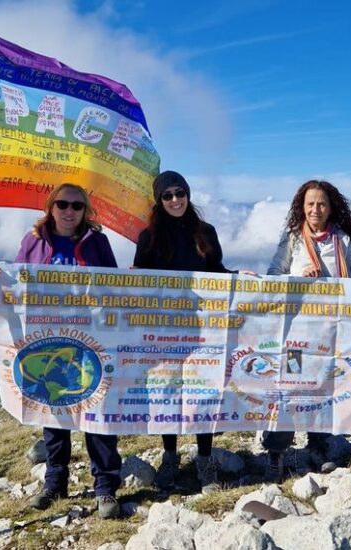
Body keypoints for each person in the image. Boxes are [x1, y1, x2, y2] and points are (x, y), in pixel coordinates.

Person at [0, 183, 121, 518]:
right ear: (50, 206)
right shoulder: (33, 240)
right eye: (62, 204)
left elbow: (115, 286)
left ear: (85, 210)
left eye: (77, 206)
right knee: (54, 410)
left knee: (97, 409)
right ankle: (55, 483)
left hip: (91, 340)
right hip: (48, 339)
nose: (69, 211)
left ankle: (105, 487)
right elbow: (18, 280)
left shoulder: (98, 242)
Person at [262, 179, 351, 483]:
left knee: (324, 388)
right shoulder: (293, 240)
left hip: (332, 334)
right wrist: (299, 276)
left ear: (331, 207)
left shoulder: (343, 242)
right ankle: (276, 452)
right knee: (290, 388)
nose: (316, 209)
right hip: (296, 335)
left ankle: (318, 446)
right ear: (302, 207)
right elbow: (272, 277)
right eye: (311, 203)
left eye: (322, 203)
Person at [132, 170, 233, 494]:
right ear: (159, 201)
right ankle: (170, 455)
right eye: (168, 195)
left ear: (188, 194)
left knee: (202, 390)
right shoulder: (148, 237)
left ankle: (204, 458)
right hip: (164, 329)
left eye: (180, 193)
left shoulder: (206, 232)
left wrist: (239, 277)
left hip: (203, 329)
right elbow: (140, 282)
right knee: (167, 391)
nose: (175, 200)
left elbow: (217, 272)